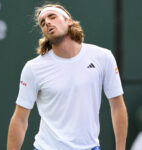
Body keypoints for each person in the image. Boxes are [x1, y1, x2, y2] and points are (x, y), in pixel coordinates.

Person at [7, 3, 128, 150]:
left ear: (68, 21)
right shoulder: (33, 68)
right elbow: (20, 119)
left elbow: (117, 106)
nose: (47, 23)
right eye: (42, 23)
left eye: (52, 17)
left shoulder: (103, 57)